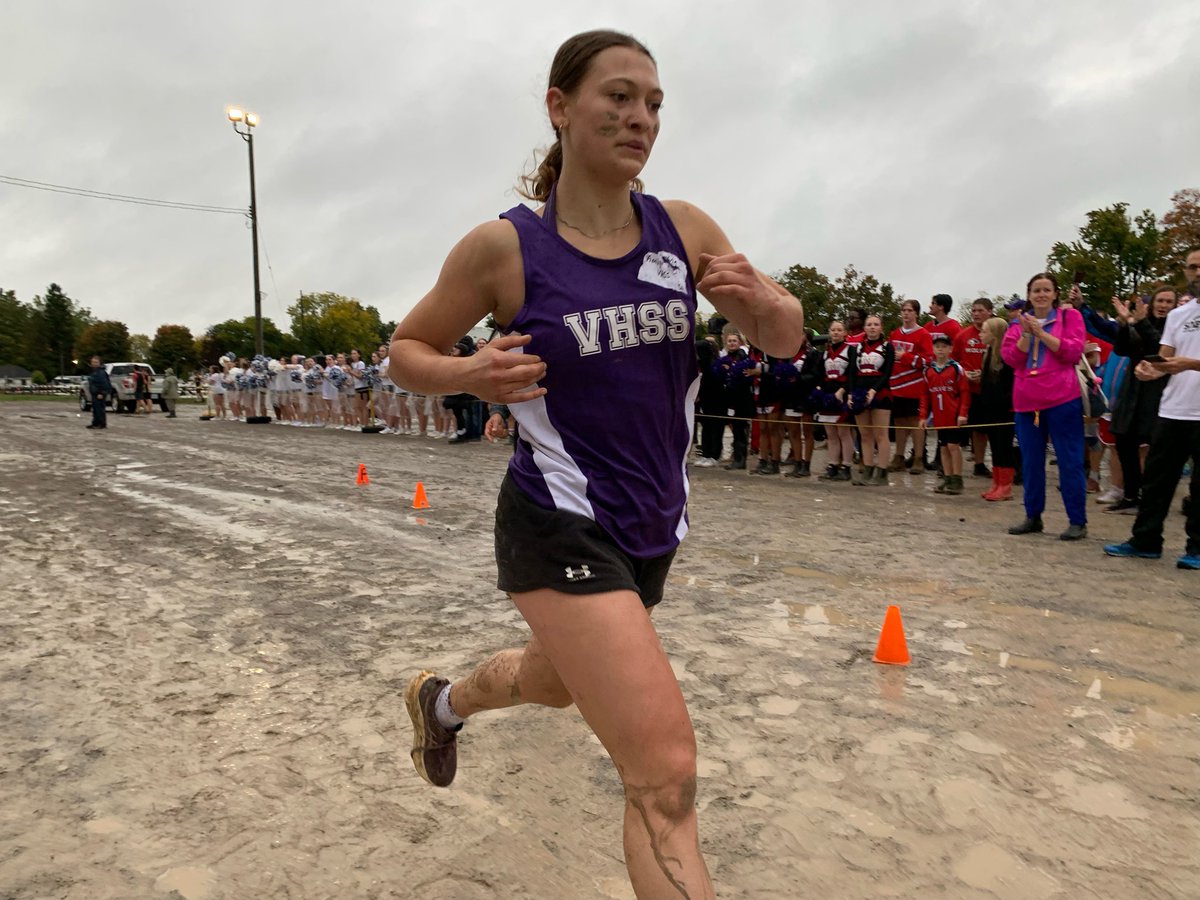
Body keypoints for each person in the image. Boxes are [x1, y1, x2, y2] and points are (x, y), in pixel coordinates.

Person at [387, 30, 805, 898]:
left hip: (652, 525)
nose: (640, 117)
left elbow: (783, 338)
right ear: (559, 107)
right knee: (664, 774)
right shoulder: (504, 249)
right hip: (556, 520)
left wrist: (766, 302)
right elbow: (405, 351)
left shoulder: (682, 230)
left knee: (555, 683)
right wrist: (472, 374)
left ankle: (442, 703)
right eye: (618, 96)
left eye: (653, 103)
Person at [1105, 248, 1200, 569]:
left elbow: (1182, 361)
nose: (1197, 272)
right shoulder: (1178, 316)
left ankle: (1196, 549)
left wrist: (1190, 364)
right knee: (1157, 481)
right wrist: (1151, 370)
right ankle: (1146, 540)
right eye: (1192, 267)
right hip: (1173, 410)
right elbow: (1164, 357)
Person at [1001, 273, 1088, 540]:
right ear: (1028, 295)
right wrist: (1027, 336)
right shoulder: (1017, 324)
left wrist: (1043, 335)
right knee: (1031, 461)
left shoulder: (1069, 317)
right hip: (1028, 404)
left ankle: (1077, 520)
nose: (1041, 294)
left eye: (1046, 290)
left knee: (1069, 461)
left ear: (1055, 293)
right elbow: (1012, 359)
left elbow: (1073, 352)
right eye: (1036, 290)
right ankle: (1033, 515)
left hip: (1062, 399)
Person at [1105, 287, 1176, 513]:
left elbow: (1159, 349)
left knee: (1156, 451)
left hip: (1158, 392)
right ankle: (1130, 495)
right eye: (1160, 301)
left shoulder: (1174, 327)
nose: (1163, 305)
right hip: (1133, 389)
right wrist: (1125, 324)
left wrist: (1140, 322)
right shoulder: (1142, 322)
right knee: (1124, 443)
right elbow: (1123, 348)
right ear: (1152, 302)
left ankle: (1150, 498)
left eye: (1169, 302)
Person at [846, 314, 894, 485]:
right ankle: (867, 469)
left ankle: (882, 472)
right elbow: (851, 372)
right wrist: (851, 393)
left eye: (876, 324)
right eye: (869, 324)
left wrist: (874, 390)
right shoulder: (856, 348)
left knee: (881, 434)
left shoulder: (888, 347)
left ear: (881, 328)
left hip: (880, 393)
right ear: (864, 328)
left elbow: (887, 373)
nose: (872, 327)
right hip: (860, 391)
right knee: (864, 434)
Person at [920, 333, 970, 493]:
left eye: (944, 347)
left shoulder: (956, 368)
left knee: (953, 446)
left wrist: (963, 413)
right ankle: (947, 478)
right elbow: (924, 396)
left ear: (950, 349)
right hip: (939, 416)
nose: (940, 350)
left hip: (953, 415)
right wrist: (922, 416)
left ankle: (957, 479)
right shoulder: (929, 371)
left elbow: (964, 392)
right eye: (937, 347)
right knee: (942, 448)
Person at [888, 299, 933, 475]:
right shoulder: (894, 334)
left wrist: (906, 357)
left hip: (915, 386)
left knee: (916, 423)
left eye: (909, 310)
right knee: (899, 423)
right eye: (903, 310)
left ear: (916, 313)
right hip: (896, 385)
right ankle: (898, 456)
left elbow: (928, 360)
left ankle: (918, 458)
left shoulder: (923, 334)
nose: (906, 313)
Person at [974, 317, 1017, 501]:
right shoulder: (988, 353)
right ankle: (997, 483)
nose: (980, 334)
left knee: (1003, 446)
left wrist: (1004, 403)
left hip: (1004, 410)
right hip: (990, 408)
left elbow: (1011, 385)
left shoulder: (1007, 356)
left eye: (984, 331)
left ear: (995, 334)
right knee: (995, 446)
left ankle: (1006, 486)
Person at [86, 356, 112, 429]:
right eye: (93, 362)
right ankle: (95, 423)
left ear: (100, 363)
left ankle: (101, 424)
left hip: (99, 394)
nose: (94, 364)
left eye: (96, 362)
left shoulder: (101, 372)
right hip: (95, 393)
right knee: (95, 409)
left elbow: (104, 384)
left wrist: (102, 393)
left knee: (99, 409)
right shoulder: (94, 371)